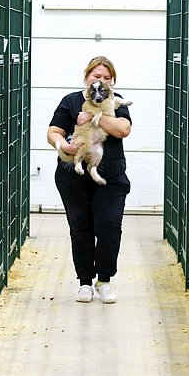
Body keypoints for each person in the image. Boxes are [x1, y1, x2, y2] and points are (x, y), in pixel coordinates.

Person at [46, 56, 132, 304]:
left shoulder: (115, 101)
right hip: (73, 177)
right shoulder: (70, 101)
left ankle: (104, 280)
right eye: (96, 76)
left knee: (109, 226)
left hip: (110, 176)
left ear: (111, 82)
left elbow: (122, 129)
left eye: (107, 78)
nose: (101, 81)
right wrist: (64, 146)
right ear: (87, 78)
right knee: (80, 228)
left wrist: (94, 116)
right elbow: (53, 131)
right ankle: (85, 282)